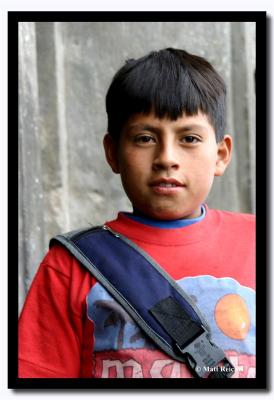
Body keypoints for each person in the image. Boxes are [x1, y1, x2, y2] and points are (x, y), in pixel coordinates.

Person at [18, 48, 255, 378]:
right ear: (113, 153)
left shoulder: (257, 242)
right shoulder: (70, 267)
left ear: (221, 154)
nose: (166, 158)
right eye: (145, 138)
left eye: (189, 138)